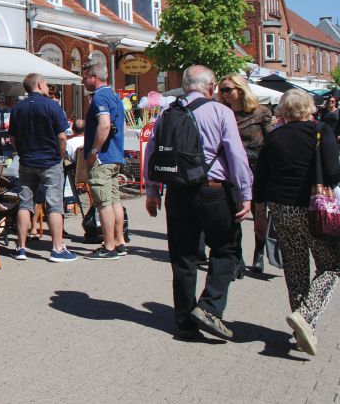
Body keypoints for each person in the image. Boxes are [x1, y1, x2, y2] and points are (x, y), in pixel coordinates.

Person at [144, 65, 253, 341]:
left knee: (183, 256)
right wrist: (245, 193)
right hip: (213, 191)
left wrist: (152, 190)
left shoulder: (167, 114)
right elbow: (237, 156)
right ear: (211, 85)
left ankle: (184, 323)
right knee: (227, 248)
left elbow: (153, 152)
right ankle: (209, 308)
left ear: (184, 85)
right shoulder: (220, 112)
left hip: (178, 192)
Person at [253, 89, 340, 355]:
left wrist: (259, 214)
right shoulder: (320, 131)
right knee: (332, 265)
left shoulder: (275, 136)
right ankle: (306, 314)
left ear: (283, 111)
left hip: (280, 206)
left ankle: (304, 326)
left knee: (295, 265)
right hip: (313, 207)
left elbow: (261, 177)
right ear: (310, 108)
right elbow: (333, 173)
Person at [8, 73, 77, 263]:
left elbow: (12, 138)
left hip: (27, 160)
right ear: (39, 84)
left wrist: (21, 152)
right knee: (54, 204)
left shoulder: (17, 108)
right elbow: (62, 137)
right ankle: (57, 248)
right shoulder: (52, 106)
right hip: (49, 160)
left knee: (25, 203)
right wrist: (60, 156)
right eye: (46, 84)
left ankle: (21, 247)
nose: (47, 87)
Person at [217, 73, 273, 274]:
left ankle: (259, 252)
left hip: (257, 167)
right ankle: (237, 257)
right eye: (221, 90)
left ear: (240, 90)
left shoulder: (261, 112)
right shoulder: (223, 112)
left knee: (259, 212)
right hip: (232, 169)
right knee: (234, 213)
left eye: (227, 90)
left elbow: (271, 142)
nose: (224, 94)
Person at [82, 60, 127, 260]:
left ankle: (109, 246)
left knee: (103, 202)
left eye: (84, 76)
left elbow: (105, 125)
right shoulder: (114, 96)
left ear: (94, 77)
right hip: (115, 155)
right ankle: (119, 241)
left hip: (103, 157)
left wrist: (94, 150)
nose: (83, 80)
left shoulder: (100, 96)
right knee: (115, 200)